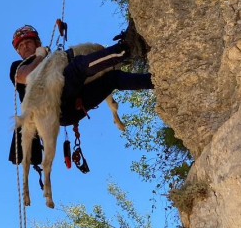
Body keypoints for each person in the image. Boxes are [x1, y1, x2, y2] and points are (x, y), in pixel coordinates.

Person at [8, 24, 154, 163]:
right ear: (18, 52)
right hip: (55, 106)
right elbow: (27, 76)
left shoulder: (51, 61)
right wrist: (40, 56)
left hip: (71, 105)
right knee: (77, 67)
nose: (25, 47)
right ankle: (126, 48)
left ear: (37, 43)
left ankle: (154, 81)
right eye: (20, 46)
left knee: (112, 79)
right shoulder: (18, 66)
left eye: (28, 42)